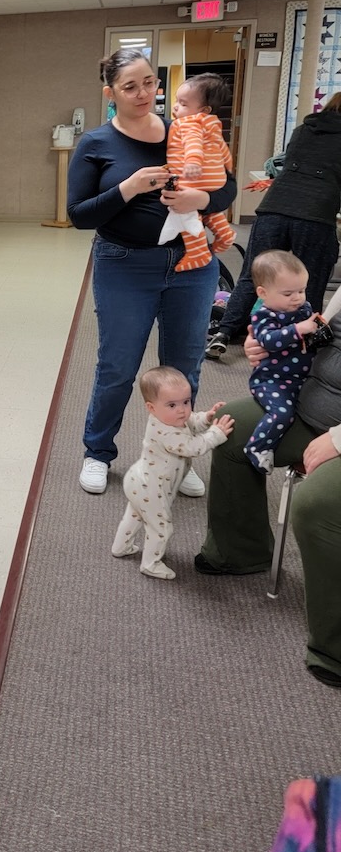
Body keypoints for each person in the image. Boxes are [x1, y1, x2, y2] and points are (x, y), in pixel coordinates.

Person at [68, 47, 238, 495]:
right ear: (110, 93)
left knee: (184, 369)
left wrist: (201, 199)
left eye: (149, 83)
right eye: (130, 87)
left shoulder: (186, 126)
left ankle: (178, 454)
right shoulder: (96, 144)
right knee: (118, 367)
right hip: (124, 265)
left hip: (192, 265)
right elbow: (79, 215)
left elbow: (227, 184)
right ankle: (98, 452)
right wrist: (128, 187)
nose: (144, 93)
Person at [195, 283, 341, 689]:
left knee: (317, 505)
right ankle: (240, 551)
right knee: (231, 429)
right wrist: (265, 346)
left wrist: (338, 439)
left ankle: (335, 648)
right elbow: (319, 337)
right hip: (309, 408)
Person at [206, 92, 341, 360]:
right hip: (315, 215)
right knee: (310, 280)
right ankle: (301, 342)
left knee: (253, 273)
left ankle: (224, 332)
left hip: (274, 207)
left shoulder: (303, 130)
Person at [111, 367, 233, 580]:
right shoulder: (164, 431)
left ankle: (121, 546)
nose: (182, 410)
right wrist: (216, 433)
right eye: (172, 405)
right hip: (150, 487)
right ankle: (150, 564)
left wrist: (207, 418)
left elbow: (192, 421)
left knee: (135, 515)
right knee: (161, 528)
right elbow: (193, 447)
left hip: (140, 480)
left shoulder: (172, 418)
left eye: (186, 402)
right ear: (151, 408)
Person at [243, 250, 323, 473]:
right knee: (282, 414)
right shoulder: (264, 315)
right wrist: (298, 329)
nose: (297, 298)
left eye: (301, 290)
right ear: (263, 293)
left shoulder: (302, 309)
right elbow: (269, 341)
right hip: (272, 381)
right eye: (288, 293)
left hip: (300, 378)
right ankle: (257, 448)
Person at [161, 74, 236, 270]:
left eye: (183, 104)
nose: (176, 107)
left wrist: (193, 161)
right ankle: (225, 235)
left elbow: (192, 141)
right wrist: (227, 167)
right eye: (177, 101)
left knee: (183, 209)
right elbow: (223, 150)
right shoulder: (212, 124)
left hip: (193, 177)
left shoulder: (188, 123)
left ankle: (198, 251)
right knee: (207, 212)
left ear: (204, 109)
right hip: (215, 179)